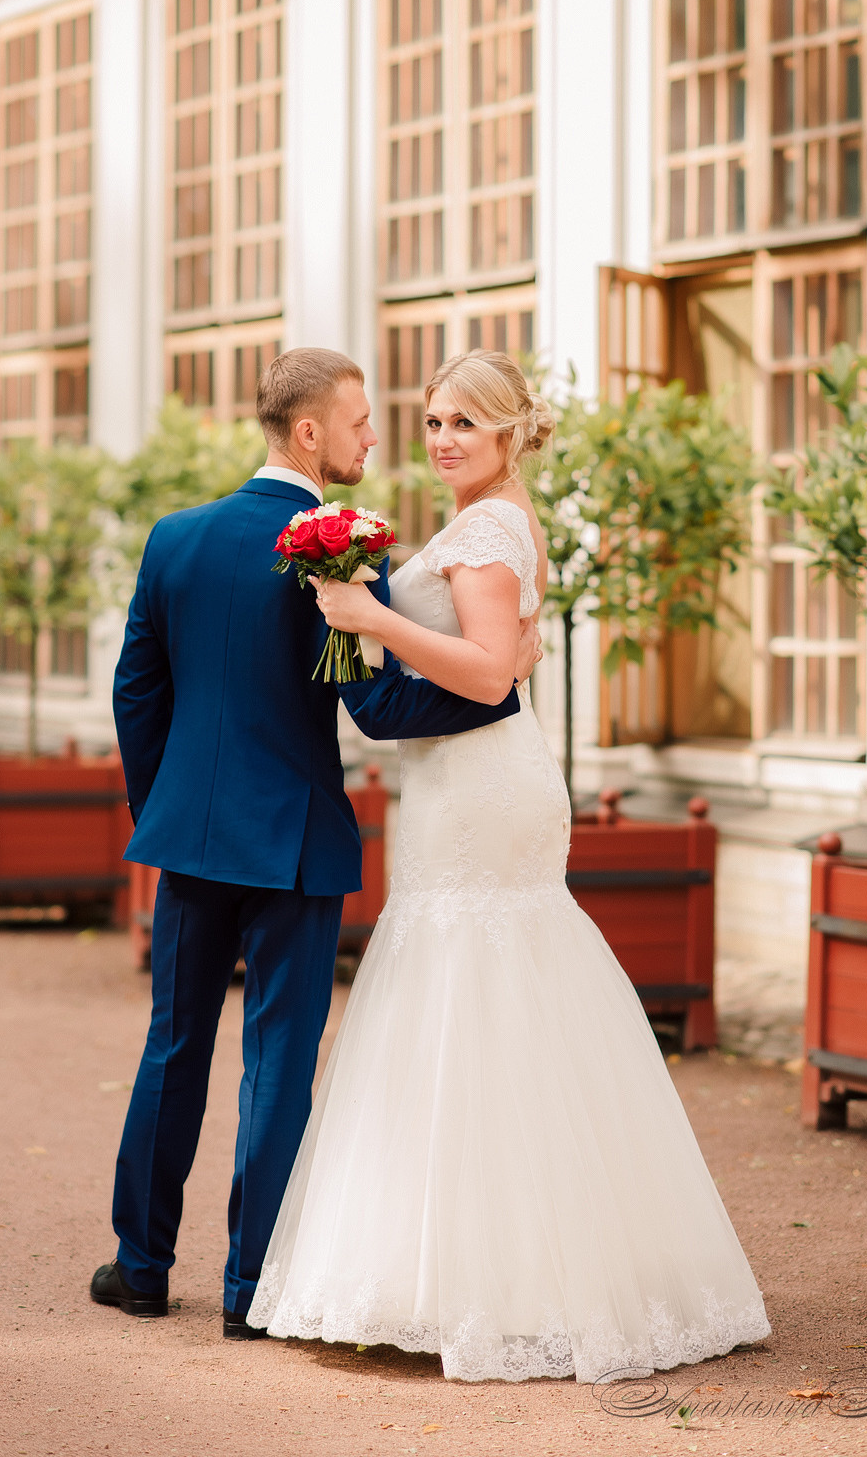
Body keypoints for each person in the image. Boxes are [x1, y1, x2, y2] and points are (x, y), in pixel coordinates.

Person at [245, 350, 770, 1382]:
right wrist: (361, 619)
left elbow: (487, 671)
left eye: (462, 426)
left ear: (505, 435)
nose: (440, 439)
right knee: (469, 1001)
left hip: (484, 791)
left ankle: (516, 1284)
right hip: (457, 781)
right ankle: (463, 1269)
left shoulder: (487, 530)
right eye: (431, 419)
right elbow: (490, 665)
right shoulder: (482, 522)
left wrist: (369, 616)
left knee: (482, 990)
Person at [91, 349, 542, 1338]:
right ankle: (250, 1292)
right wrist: (495, 691)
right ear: (308, 433)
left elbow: (136, 688)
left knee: (173, 1044)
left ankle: (141, 1265)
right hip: (295, 843)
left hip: (191, 837)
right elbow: (376, 708)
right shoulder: (338, 554)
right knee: (276, 1064)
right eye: (359, 421)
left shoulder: (174, 539)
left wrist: (161, 806)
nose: (374, 439)